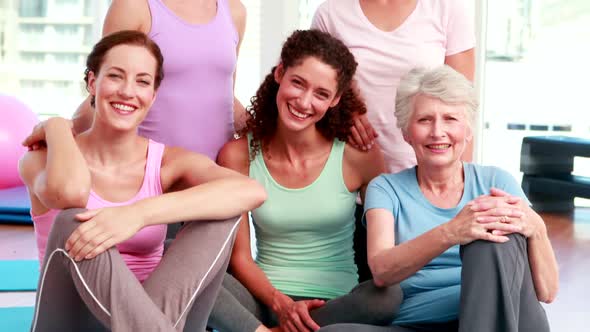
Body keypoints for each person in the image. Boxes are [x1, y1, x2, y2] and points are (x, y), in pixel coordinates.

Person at [18, 30, 266, 332]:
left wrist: (137, 214)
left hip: (155, 317)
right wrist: (57, 126)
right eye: (115, 76)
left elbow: (250, 190)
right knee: (73, 221)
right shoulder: (43, 159)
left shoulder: (165, 162)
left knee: (221, 214)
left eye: (143, 81)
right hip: (72, 323)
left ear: (153, 94)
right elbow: (71, 193)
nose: (127, 91)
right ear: (92, 82)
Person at [319, 65, 559, 332]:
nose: (437, 131)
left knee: (488, 241)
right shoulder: (386, 189)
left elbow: (547, 292)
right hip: (419, 324)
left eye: (450, 119)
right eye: (424, 120)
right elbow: (381, 269)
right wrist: (453, 231)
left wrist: (537, 228)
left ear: (468, 131)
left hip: (502, 319)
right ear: (406, 133)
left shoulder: (496, 183)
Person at [207, 30, 402, 332]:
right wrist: (280, 303)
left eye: (321, 94)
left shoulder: (358, 157)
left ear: (335, 99)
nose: (304, 101)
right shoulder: (237, 155)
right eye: (298, 83)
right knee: (195, 274)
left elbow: (388, 247)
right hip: (264, 302)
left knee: (388, 295)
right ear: (280, 73)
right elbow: (241, 258)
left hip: (337, 304)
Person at [312, 0, 475, 172]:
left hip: (426, 176)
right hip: (348, 172)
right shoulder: (330, 12)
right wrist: (345, 109)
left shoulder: (447, 8)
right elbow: (313, 91)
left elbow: (463, 110)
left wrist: (464, 185)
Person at [72, 0, 247, 161]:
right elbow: (105, 90)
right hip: (150, 173)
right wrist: (61, 138)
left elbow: (226, 97)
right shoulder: (134, 6)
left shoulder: (234, 11)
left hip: (215, 176)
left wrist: (266, 126)